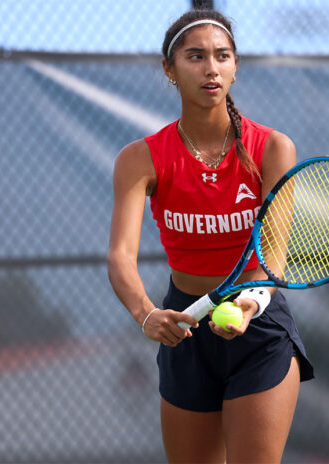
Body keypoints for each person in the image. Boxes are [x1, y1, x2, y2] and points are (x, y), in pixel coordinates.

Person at [107, 9, 314, 463]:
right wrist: (147, 315)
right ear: (170, 69)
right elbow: (121, 257)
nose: (211, 68)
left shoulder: (274, 149)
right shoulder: (139, 159)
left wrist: (248, 304)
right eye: (195, 56)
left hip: (259, 330)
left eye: (222, 56)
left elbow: (272, 260)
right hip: (183, 328)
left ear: (235, 66)